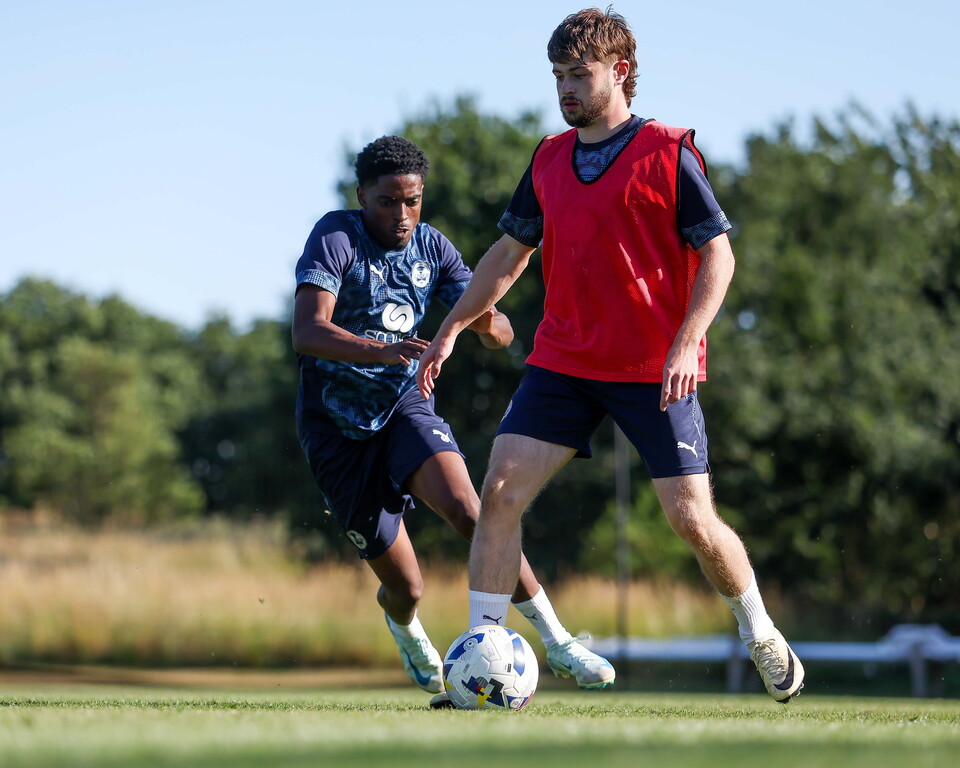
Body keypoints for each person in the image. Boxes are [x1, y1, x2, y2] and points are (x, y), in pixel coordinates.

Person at [417, 9, 804, 702]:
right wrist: (451, 327)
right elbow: (508, 256)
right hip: (563, 361)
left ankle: (760, 632)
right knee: (500, 491)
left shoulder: (667, 150)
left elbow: (717, 254)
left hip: (654, 368)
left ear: (619, 71)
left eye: (578, 74)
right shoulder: (547, 158)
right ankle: (478, 662)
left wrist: (688, 339)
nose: (565, 88)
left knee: (691, 519)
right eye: (558, 76)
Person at [292, 135, 615, 701]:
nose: (402, 215)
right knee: (407, 586)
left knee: (474, 510)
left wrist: (489, 324)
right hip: (335, 428)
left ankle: (559, 641)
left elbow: (497, 324)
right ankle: (403, 623)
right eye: (388, 201)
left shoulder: (433, 248)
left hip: (404, 405)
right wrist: (380, 349)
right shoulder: (336, 235)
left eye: (413, 201)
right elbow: (307, 332)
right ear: (362, 194)